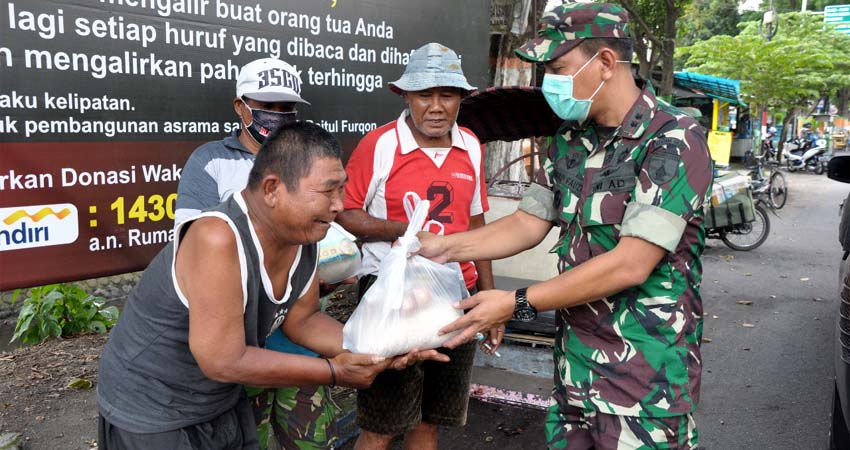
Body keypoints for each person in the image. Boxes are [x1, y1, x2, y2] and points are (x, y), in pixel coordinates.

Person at [416, 4, 713, 449]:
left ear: (607, 64)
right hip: (574, 374)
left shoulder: (674, 140)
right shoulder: (571, 140)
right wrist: (439, 248)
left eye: (558, 68)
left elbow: (630, 264)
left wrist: (514, 303)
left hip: (644, 384)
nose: (548, 82)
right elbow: (526, 222)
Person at [97, 122, 446, 450]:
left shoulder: (302, 235)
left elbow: (303, 320)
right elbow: (223, 359)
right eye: (328, 191)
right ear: (272, 189)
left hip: (218, 400)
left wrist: (382, 346)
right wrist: (334, 372)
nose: (339, 206)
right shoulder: (218, 237)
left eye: (341, 189)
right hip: (151, 409)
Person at [336, 42, 500, 450]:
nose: (436, 106)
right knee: (382, 423)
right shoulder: (380, 145)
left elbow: (477, 226)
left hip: (455, 300)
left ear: (461, 98)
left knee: (429, 421)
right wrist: (406, 231)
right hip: (392, 296)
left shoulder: (471, 148)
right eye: (425, 95)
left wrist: (488, 295)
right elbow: (345, 212)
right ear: (405, 96)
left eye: (447, 94)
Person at [173, 57, 341, 450]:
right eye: (268, 106)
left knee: (311, 439)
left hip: (298, 331)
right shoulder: (210, 161)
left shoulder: (309, 164)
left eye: (287, 109)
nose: (278, 116)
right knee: (252, 436)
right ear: (240, 106)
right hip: (239, 342)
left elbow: (323, 232)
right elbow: (194, 251)